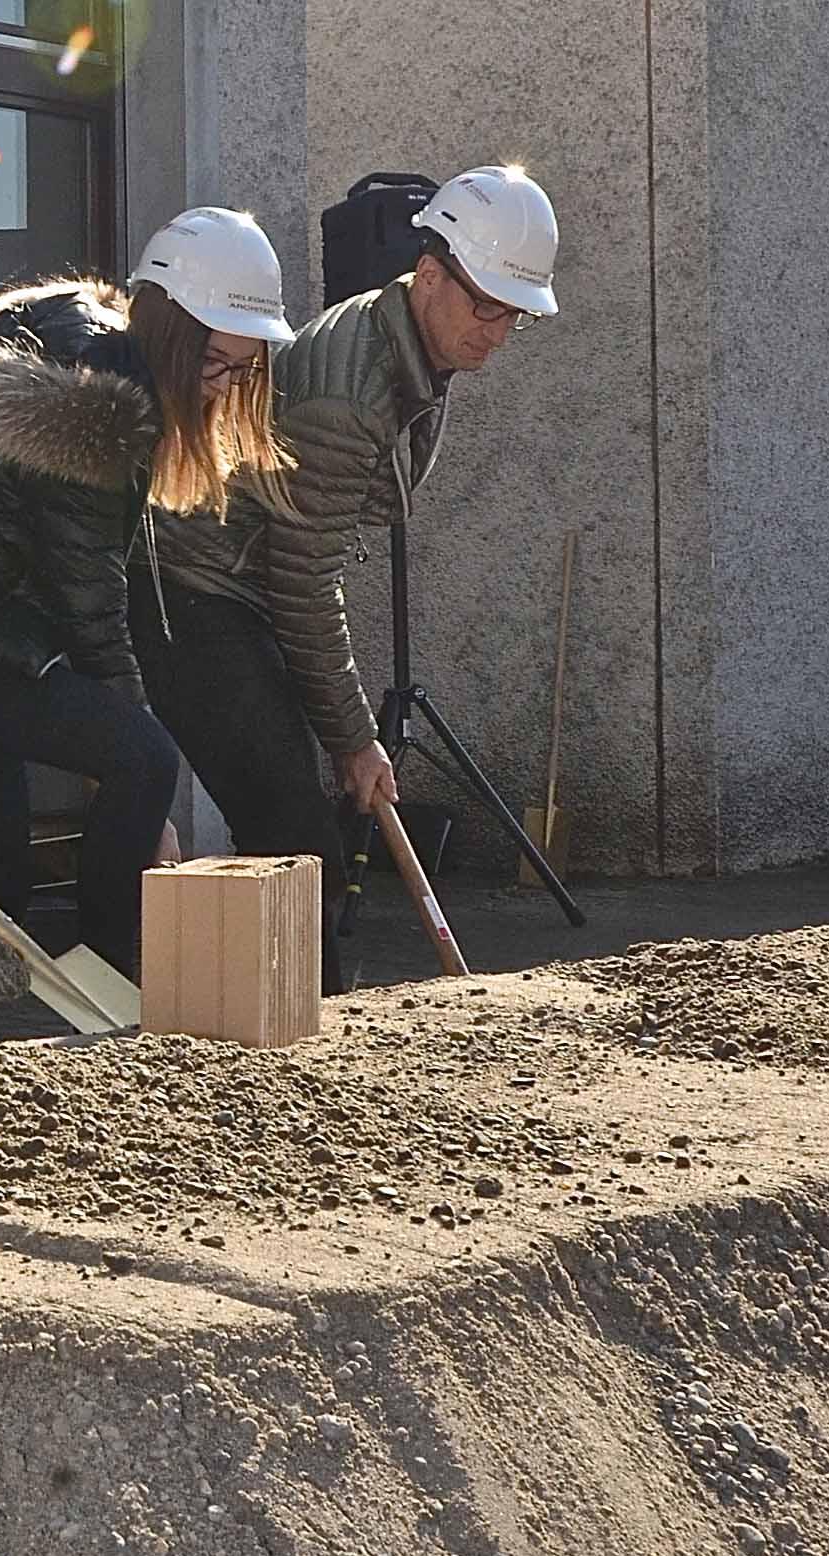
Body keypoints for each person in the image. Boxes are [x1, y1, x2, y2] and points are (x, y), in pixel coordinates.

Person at [0, 208, 299, 1035]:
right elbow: (92, 609)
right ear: (172, 332)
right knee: (143, 755)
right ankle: (108, 996)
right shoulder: (100, 417)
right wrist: (140, 789)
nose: (222, 387)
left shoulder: (97, 347)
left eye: (242, 369)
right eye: (215, 362)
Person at [141, 166, 560, 991]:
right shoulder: (353, 395)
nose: (499, 332)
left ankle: (283, 1027)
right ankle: (301, 1042)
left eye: (515, 314)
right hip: (194, 596)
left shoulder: (409, 348)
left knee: (300, 842)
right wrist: (354, 736)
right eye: (486, 305)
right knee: (299, 843)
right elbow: (303, 581)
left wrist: (346, 734)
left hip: (238, 591)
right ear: (430, 276)